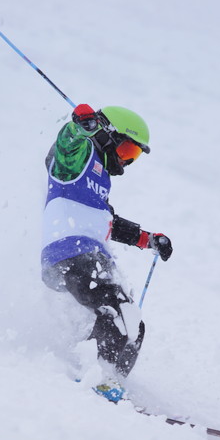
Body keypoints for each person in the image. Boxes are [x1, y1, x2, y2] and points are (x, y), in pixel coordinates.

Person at [41, 103, 173, 392]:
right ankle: (95, 376)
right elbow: (65, 148)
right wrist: (79, 126)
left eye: (134, 156)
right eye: (127, 150)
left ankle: (113, 381)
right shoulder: (80, 159)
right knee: (112, 310)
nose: (126, 162)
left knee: (133, 323)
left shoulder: (99, 184)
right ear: (108, 135)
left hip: (91, 256)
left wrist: (147, 239)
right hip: (69, 252)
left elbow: (108, 223)